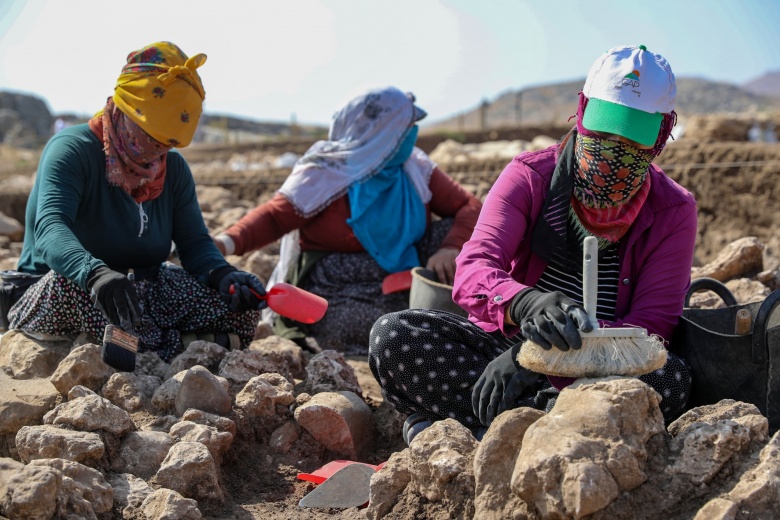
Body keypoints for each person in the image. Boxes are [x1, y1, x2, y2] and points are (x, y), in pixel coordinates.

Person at [369, 45, 697, 444]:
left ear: (662, 134)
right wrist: (524, 304)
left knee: (670, 379)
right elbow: (474, 268)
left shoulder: (673, 210)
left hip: (605, 363)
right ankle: (548, 430)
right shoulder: (529, 176)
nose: (613, 147)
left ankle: (476, 428)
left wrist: (545, 359)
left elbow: (651, 328)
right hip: (503, 348)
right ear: (582, 111)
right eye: (604, 128)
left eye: (633, 137)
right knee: (396, 336)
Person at [4, 41, 267, 362]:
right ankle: (186, 347)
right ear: (127, 110)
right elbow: (50, 228)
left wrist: (223, 276)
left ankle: (144, 346)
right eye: (150, 135)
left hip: (141, 289)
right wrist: (96, 274)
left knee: (240, 306)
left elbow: (195, 244)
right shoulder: (72, 150)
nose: (157, 149)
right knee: (72, 290)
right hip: (66, 286)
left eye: (166, 143)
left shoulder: (174, 170)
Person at [213, 86, 482, 354]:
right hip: (342, 284)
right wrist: (224, 244)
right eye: (406, 126)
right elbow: (274, 218)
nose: (412, 133)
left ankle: (443, 315)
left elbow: (469, 205)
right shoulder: (325, 172)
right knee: (361, 325)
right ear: (381, 133)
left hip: (409, 264)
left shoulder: (415, 167)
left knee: (465, 241)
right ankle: (429, 324)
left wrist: (451, 247)